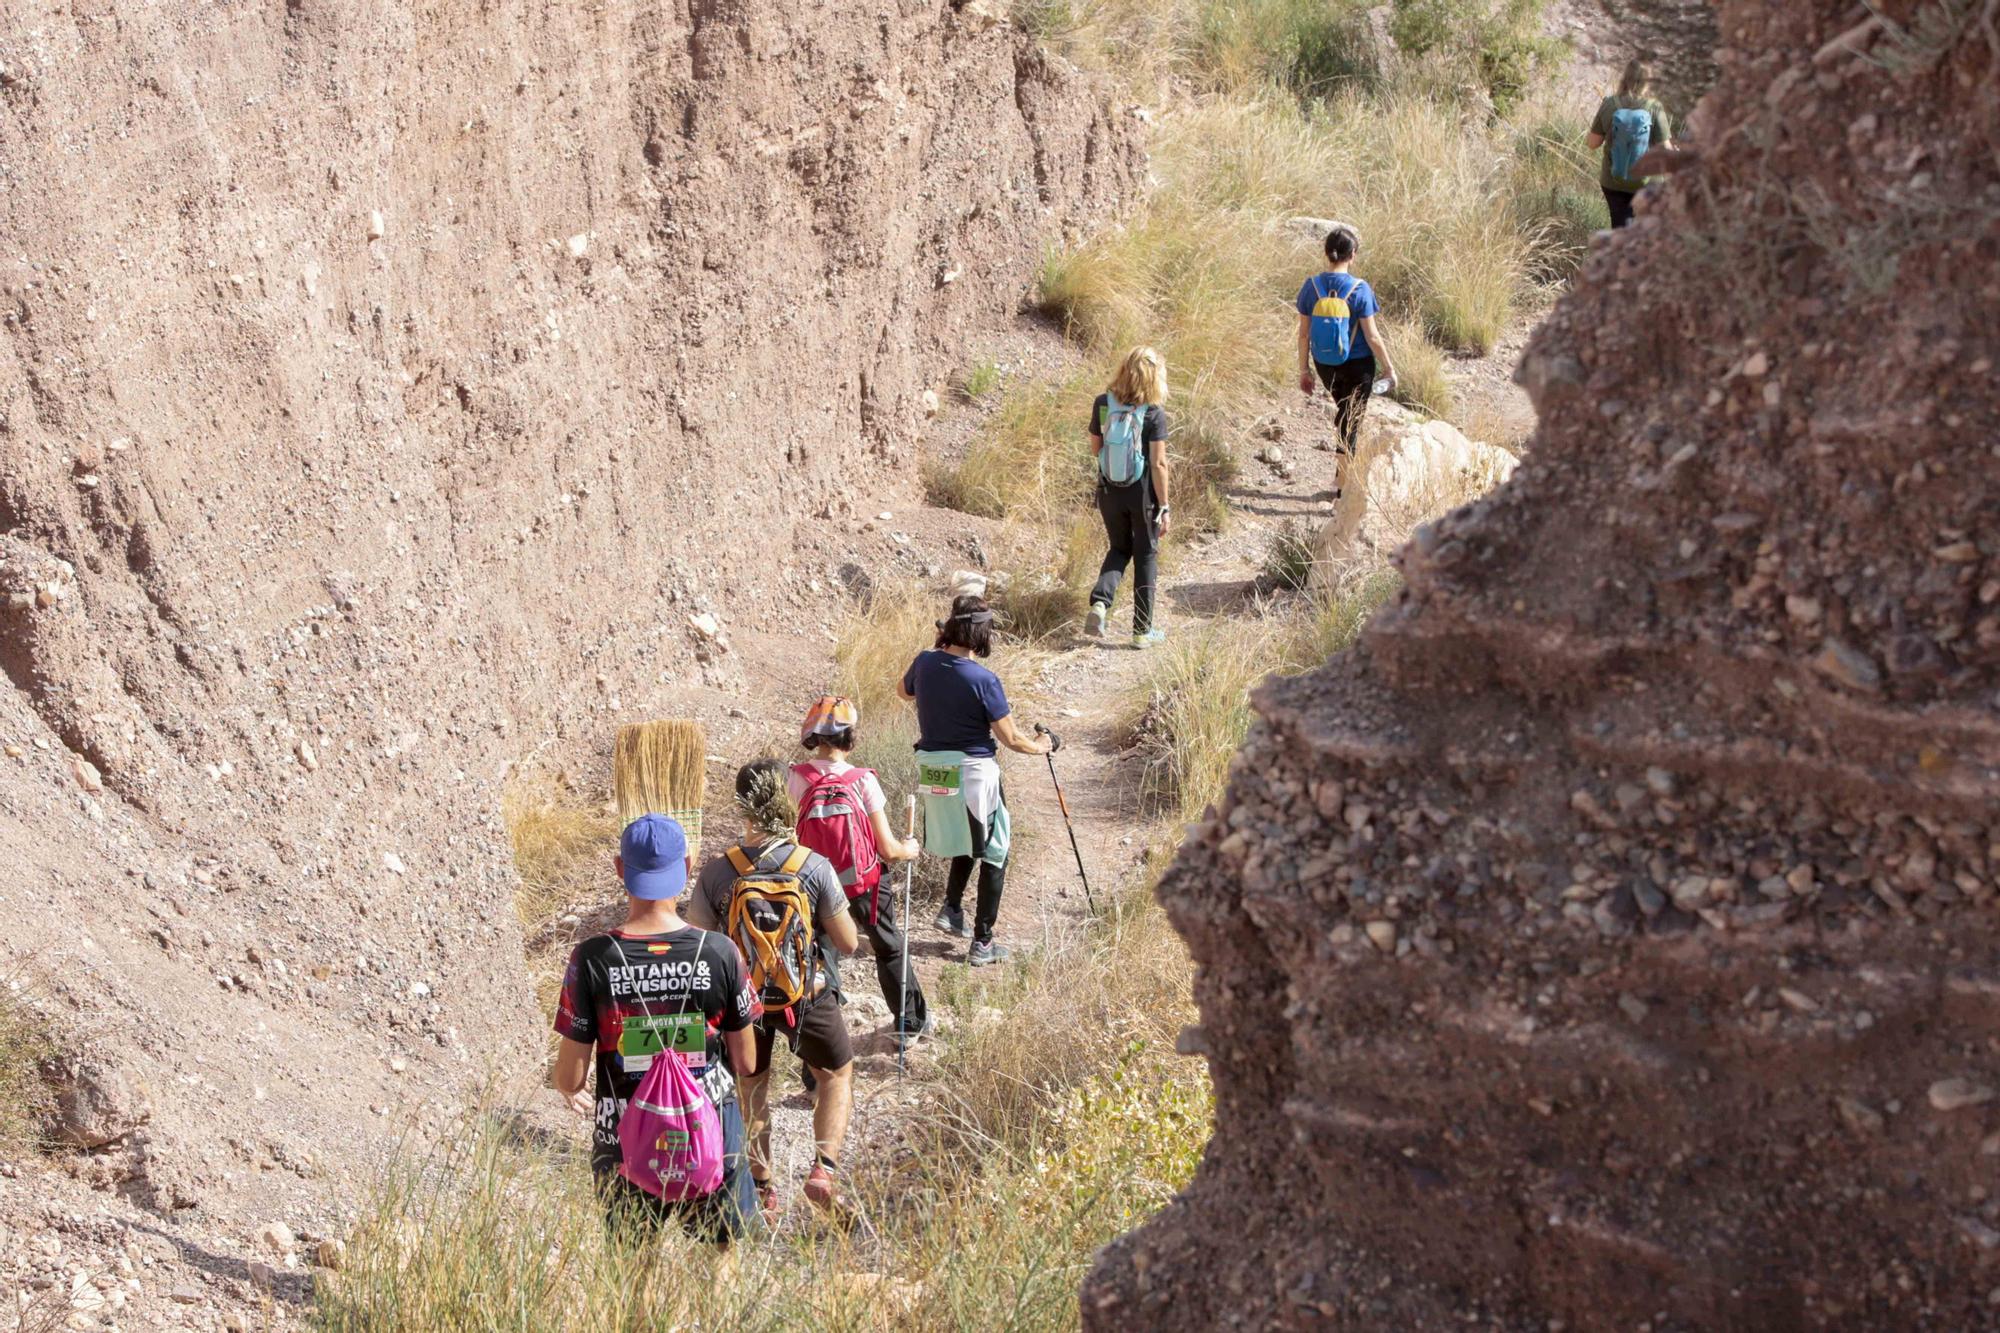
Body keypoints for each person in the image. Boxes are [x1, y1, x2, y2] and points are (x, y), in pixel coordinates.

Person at [551, 813, 761, 1244]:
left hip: (625, 1140)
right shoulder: (719, 952)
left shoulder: (591, 958)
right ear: (686, 869)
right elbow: (746, 1061)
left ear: (619, 870)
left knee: (634, 1271)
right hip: (710, 1130)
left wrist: (573, 1085)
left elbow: (570, 1078)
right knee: (720, 1259)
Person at [686, 759, 859, 1220]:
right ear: (787, 799)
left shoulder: (719, 871)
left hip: (745, 1001)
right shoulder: (812, 865)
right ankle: (823, 1170)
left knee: (752, 1085)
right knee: (835, 1075)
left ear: (741, 807)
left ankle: (763, 1189)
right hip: (807, 994)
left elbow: (699, 939)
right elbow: (847, 941)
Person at [897, 594, 1053, 966]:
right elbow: (1012, 739)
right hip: (974, 772)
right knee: (995, 849)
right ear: (982, 633)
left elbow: (903, 692)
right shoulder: (984, 679)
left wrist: (936, 656)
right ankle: (983, 942)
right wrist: (1043, 746)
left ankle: (951, 909)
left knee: (971, 838)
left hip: (933, 768)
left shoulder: (924, 662)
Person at [790, 695, 930, 1044]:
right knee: (888, 945)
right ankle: (909, 1023)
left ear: (814, 735)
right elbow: (887, 849)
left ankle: (822, 1045)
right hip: (863, 881)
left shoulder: (794, 779)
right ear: (849, 737)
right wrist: (908, 849)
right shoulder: (862, 780)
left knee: (821, 956)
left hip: (811, 884)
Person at [1082, 347, 1173, 649]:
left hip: (1109, 490)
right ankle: (1142, 631)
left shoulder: (1103, 404)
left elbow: (1096, 449)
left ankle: (1099, 603)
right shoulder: (1153, 414)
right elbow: (1159, 464)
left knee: (1119, 549)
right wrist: (1165, 506)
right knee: (1145, 554)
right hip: (1142, 494)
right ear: (1154, 378)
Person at [1296, 224, 1400, 467]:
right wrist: (1389, 369)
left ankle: (1343, 476)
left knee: (1345, 411)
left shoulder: (1310, 287)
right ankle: (1344, 487)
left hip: (1324, 363)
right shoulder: (1360, 289)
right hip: (1358, 366)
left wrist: (1304, 370)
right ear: (1352, 255)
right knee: (1350, 422)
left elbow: (1303, 335)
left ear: (1326, 253)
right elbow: (1372, 336)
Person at [1587, 59, 1675, 229]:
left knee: (1620, 229)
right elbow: (1666, 150)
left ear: (1625, 78)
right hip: (1649, 184)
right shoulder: (1655, 107)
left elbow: (1592, 143)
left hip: (1613, 182)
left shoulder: (1609, 104)